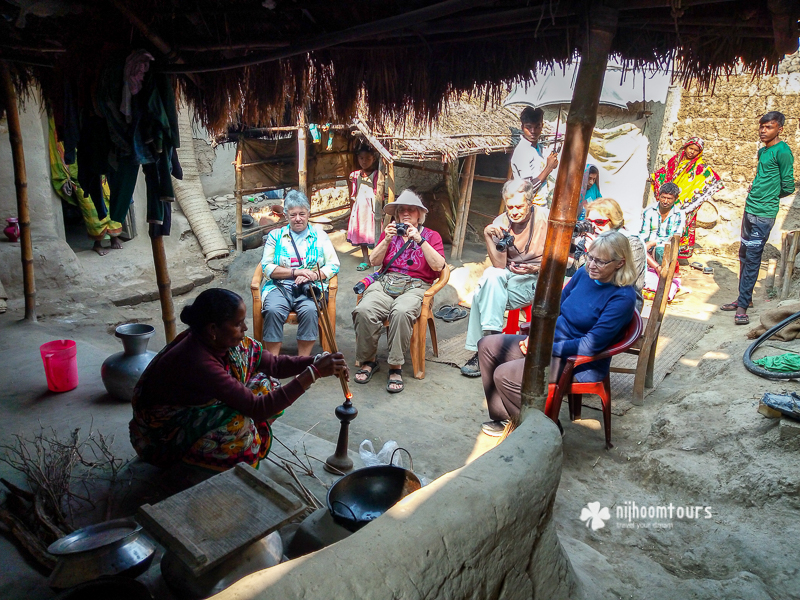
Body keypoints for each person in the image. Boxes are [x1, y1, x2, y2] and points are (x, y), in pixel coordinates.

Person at [129, 288, 348, 471]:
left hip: (200, 404)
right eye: (238, 323)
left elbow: (274, 365)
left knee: (265, 383)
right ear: (213, 329)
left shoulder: (219, 342)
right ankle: (196, 469)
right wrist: (313, 373)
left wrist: (317, 360)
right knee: (241, 428)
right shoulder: (198, 360)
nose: (245, 328)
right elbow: (259, 409)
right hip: (164, 433)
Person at [477, 231, 637, 436]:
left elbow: (590, 345)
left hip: (580, 362)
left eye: (600, 261)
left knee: (505, 374)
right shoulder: (584, 274)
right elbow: (555, 307)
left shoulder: (622, 297)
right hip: (551, 344)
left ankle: (547, 430)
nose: (591, 265)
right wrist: (536, 337)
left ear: (620, 263)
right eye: (590, 257)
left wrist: (543, 348)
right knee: (487, 346)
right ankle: (506, 418)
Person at [352, 190, 445, 393]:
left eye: (411, 209)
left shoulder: (432, 236)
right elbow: (374, 261)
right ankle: (368, 360)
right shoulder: (390, 234)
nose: (406, 213)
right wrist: (386, 240)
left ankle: (395, 366)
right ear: (396, 215)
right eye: (401, 210)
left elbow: (439, 266)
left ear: (420, 214)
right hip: (387, 282)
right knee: (364, 309)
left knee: (401, 312)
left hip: (416, 285)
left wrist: (420, 240)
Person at [461, 179, 548, 377]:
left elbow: (565, 261)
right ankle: (493, 345)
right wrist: (487, 235)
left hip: (538, 277)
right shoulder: (501, 222)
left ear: (530, 202)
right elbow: (499, 265)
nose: (514, 212)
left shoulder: (546, 217)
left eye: (519, 206)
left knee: (479, 295)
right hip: (509, 277)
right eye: (510, 207)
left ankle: (484, 349)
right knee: (491, 275)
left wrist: (537, 268)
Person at [721, 111, 795, 325]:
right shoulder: (763, 151)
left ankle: (742, 307)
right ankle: (744, 298)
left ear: (779, 129)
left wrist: (768, 196)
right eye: (761, 126)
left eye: (769, 127)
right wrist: (756, 189)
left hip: (764, 214)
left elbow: (788, 185)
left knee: (753, 257)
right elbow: (763, 177)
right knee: (744, 254)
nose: (763, 131)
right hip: (750, 209)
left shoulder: (783, 151)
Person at [260, 190, 340, 356]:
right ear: (286, 216)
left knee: (310, 310)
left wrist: (314, 275)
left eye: (302, 214)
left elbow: (333, 264)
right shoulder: (275, 236)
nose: (298, 218)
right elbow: (267, 267)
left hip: (310, 287)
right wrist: (296, 272)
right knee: (272, 310)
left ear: (308, 214)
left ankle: (302, 361)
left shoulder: (320, 236)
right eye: (293, 214)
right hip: (280, 286)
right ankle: (272, 363)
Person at [651, 137, 724, 258]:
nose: (692, 152)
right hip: (670, 197)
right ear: (685, 147)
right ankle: (659, 250)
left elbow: (711, 179)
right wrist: (654, 177)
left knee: (680, 226)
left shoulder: (700, 167)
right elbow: (664, 172)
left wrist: (697, 197)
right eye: (690, 148)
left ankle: (675, 255)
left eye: (696, 150)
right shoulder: (675, 161)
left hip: (685, 202)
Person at [578, 198, 647, 311]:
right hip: (590, 298)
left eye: (599, 222)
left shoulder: (632, 244)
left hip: (621, 304)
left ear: (614, 222)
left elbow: (622, 281)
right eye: (589, 222)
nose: (593, 226)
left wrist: (593, 253)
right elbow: (575, 273)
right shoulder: (589, 240)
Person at [510, 107, 559, 206]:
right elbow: (527, 188)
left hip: (542, 204)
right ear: (522, 127)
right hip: (528, 207)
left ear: (542, 126)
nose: (533, 131)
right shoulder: (522, 151)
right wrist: (549, 167)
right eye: (528, 127)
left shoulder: (540, 148)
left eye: (537, 127)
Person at [638, 181, 686, 276]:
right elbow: (644, 232)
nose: (665, 201)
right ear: (659, 196)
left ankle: (662, 273)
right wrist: (642, 243)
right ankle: (658, 268)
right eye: (663, 197)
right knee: (635, 246)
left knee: (660, 250)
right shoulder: (649, 211)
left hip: (667, 246)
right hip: (648, 245)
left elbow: (674, 237)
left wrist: (653, 243)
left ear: (676, 199)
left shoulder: (679, 214)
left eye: (669, 199)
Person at [348, 147, 378, 271]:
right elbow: (354, 191)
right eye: (361, 158)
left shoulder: (377, 174)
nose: (364, 161)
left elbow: (378, 192)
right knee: (360, 231)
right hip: (360, 209)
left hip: (372, 208)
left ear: (373, 159)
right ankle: (365, 258)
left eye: (367, 159)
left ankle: (376, 258)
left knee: (373, 232)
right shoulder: (355, 175)